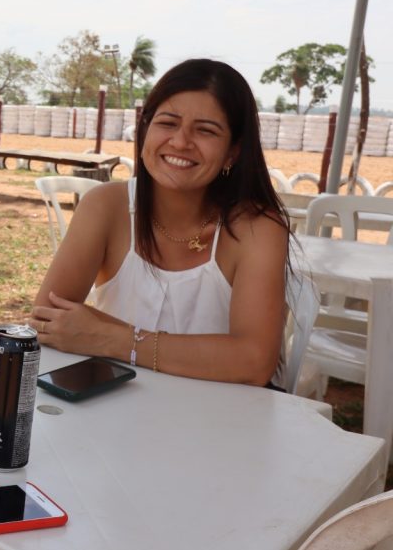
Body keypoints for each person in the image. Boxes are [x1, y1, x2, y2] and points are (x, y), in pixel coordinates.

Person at [29, 58, 291, 387]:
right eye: (168, 123)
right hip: (114, 410)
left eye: (206, 130)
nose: (181, 142)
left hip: (220, 422)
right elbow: (46, 322)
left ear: (232, 153)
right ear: (145, 130)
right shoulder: (106, 207)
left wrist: (113, 338)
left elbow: (253, 363)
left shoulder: (257, 228)